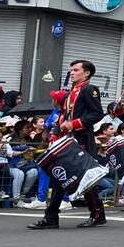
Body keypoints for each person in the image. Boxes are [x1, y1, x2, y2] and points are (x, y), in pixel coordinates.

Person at [28, 60, 106, 229]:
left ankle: (97, 214)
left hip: (82, 139)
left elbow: (97, 114)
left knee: (86, 178)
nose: (71, 72)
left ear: (86, 73)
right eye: (71, 70)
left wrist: (75, 124)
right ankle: (51, 217)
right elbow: (63, 116)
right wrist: (56, 132)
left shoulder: (88, 89)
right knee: (59, 176)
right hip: (68, 140)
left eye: (76, 70)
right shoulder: (72, 92)